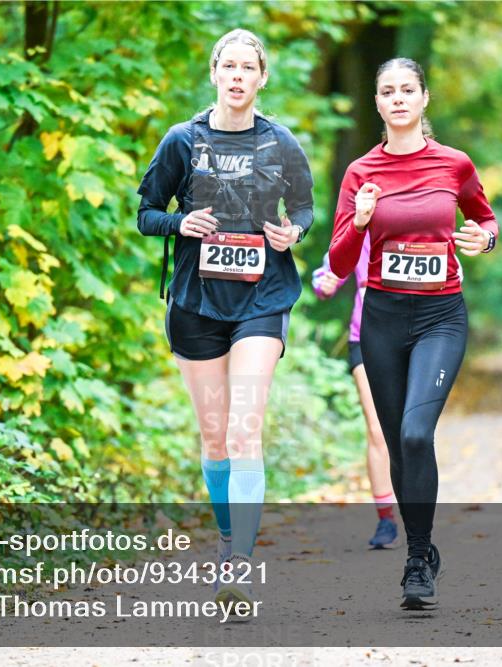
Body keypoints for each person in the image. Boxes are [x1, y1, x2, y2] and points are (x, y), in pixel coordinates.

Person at [136, 29, 314, 615]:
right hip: (195, 301)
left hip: (263, 297)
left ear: (262, 78)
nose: (237, 76)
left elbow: (307, 206)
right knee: (214, 437)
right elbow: (146, 213)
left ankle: (238, 566)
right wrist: (178, 225)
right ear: (214, 73)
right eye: (228, 66)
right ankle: (229, 540)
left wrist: (295, 232)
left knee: (244, 431)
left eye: (248, 67)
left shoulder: (281, 142)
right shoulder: (182, 141)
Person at [327, 57, 498, 610]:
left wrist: (485, 240)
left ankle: (416, 556)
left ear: (424, 98)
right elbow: (337, 257)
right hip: (380, 319)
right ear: (377, 103)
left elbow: (485, 218)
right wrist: (359, 220)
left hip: (439, 316)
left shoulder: (454, 164)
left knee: (417, 433)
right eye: (386, 91)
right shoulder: (360, 172)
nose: (397, 98)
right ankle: (421, 553)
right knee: (399, 441)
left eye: (407, 89)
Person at [312, 237, 400, 550]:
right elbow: (326, 278)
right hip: (364, 336)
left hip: (417, 335)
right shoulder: (357, 229)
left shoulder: (417, 216)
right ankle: (386, 518)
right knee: (377, 430)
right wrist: (326, 281)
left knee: (410, 430)